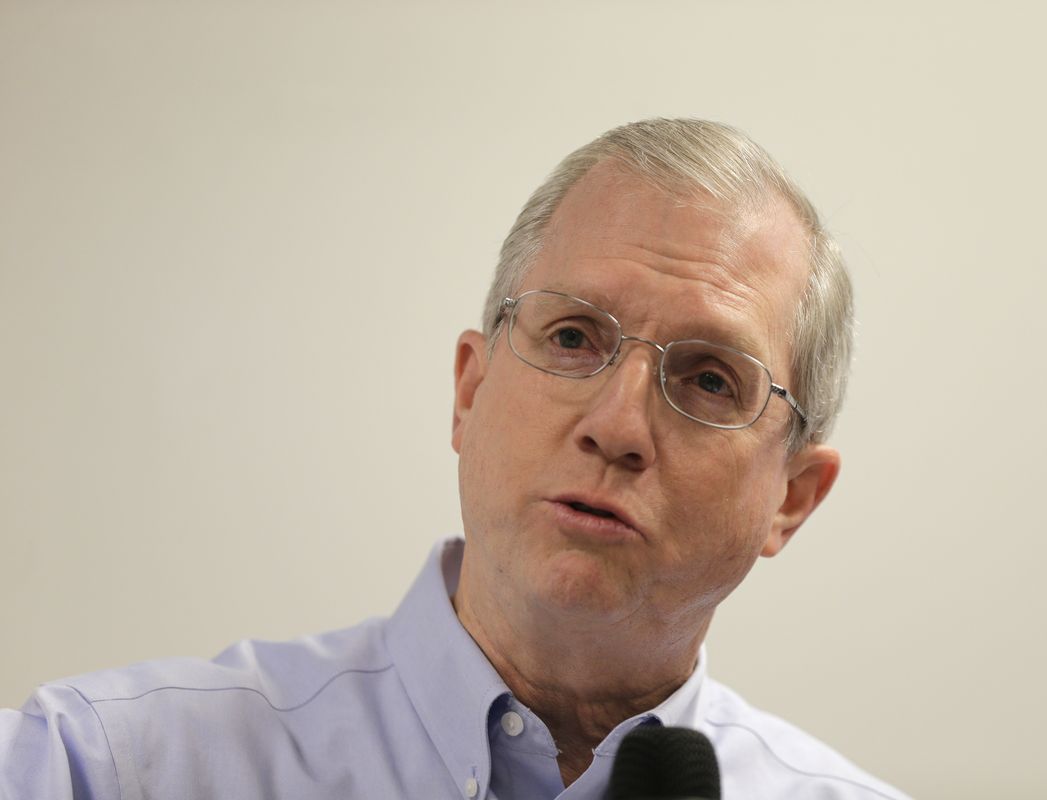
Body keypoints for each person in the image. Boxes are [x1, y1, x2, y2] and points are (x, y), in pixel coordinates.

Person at [1, 118, 908, 799]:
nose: (618, 424)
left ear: (791, 497)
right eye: (572, 335)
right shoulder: (106, 767)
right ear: (469, 392)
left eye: (709, 380)